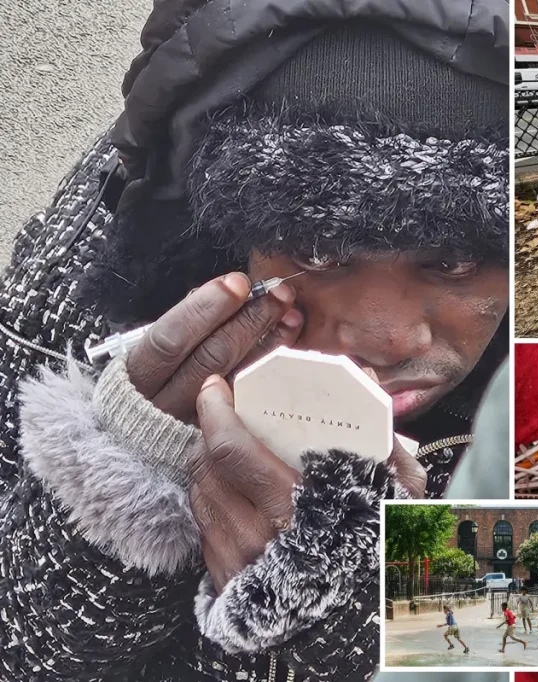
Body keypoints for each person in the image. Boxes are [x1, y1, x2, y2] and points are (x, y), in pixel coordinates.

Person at [0, 1, 508, 681]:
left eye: (453, 262)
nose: (386, 341)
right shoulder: (92, 284)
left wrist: (373, 594)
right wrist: (117, 492)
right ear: (226, 228)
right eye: (321, 251)